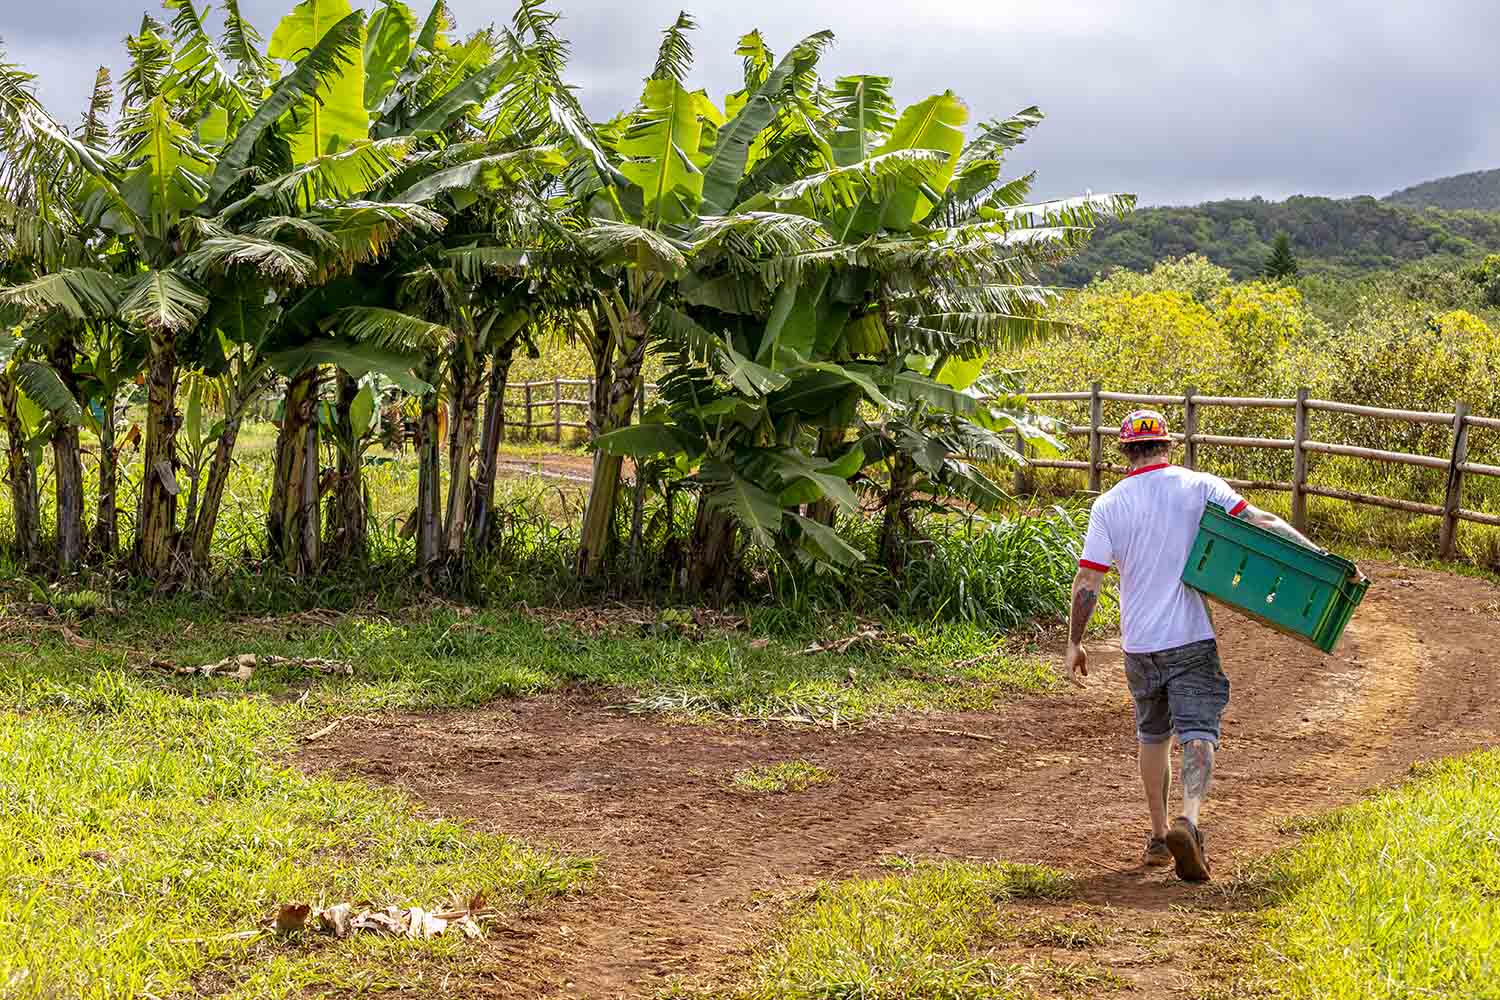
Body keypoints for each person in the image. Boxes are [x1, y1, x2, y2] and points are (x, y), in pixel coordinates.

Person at [1064, 409, 1325, 882]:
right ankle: (1190, 818)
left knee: (1152, 735)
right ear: (1168, 446)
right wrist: (1317, 556)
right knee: (1198, 729)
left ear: (1125, 451)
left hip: (1138, 643)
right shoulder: (1199, 485)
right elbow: (1261, 522)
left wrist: (1075, 642)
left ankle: (1160, 834)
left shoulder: (1109, 505)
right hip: (1190, 637)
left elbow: (1089, 580)